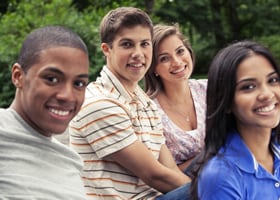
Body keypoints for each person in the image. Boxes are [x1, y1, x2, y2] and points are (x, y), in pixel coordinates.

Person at [69, 7, 191, 200]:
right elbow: (155, 175)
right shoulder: (99, 103)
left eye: (144, 44)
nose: (138, 53)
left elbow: (170, 169)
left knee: (224, 164)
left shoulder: (144, 101)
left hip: (156, 195)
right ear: (107, 49)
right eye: (127, 44)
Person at [190, 40, 280, 199]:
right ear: (226, 102)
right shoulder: (220, 177)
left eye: (273, 80)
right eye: (248, 87)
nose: (267, 94)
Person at [0, 26, 90, 199]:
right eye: (52, 79)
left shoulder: (69, 161)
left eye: (79, 83)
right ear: (18, 76)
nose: (67, 96)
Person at [144, 24, 207, 172]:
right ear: (153, 68)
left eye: (180, 51)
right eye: (164, 58)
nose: (177, 62)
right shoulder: (147, 111)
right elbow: (163, 174)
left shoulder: (210, 90)